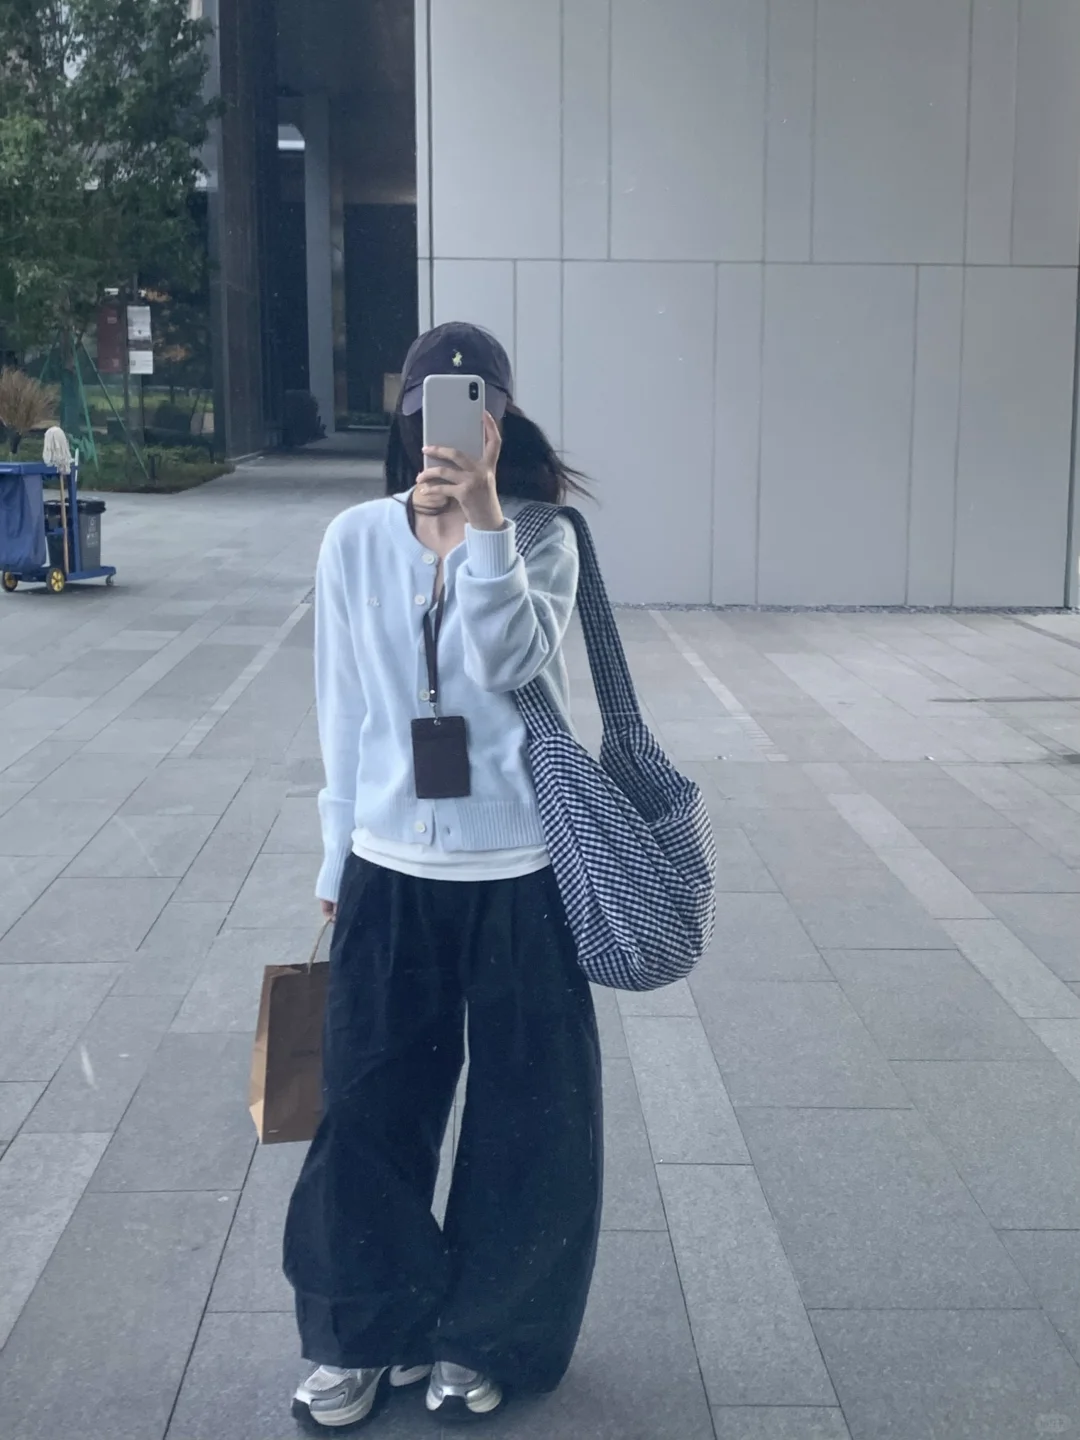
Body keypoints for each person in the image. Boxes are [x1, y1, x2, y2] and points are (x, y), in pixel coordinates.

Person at [284, 322, 603, 1430]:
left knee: (530, 1118)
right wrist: (336, 857)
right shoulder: (354, 540)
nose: (452, 427)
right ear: (408, 416)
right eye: (431, 407)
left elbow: (509, 661)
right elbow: (342, 711)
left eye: (476, 408)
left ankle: (485, 1335)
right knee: (367, 1112)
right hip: (390, 867)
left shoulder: (543, 539)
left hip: (522, 869)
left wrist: (486, 527)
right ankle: (364, 1333)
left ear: (500, 421)